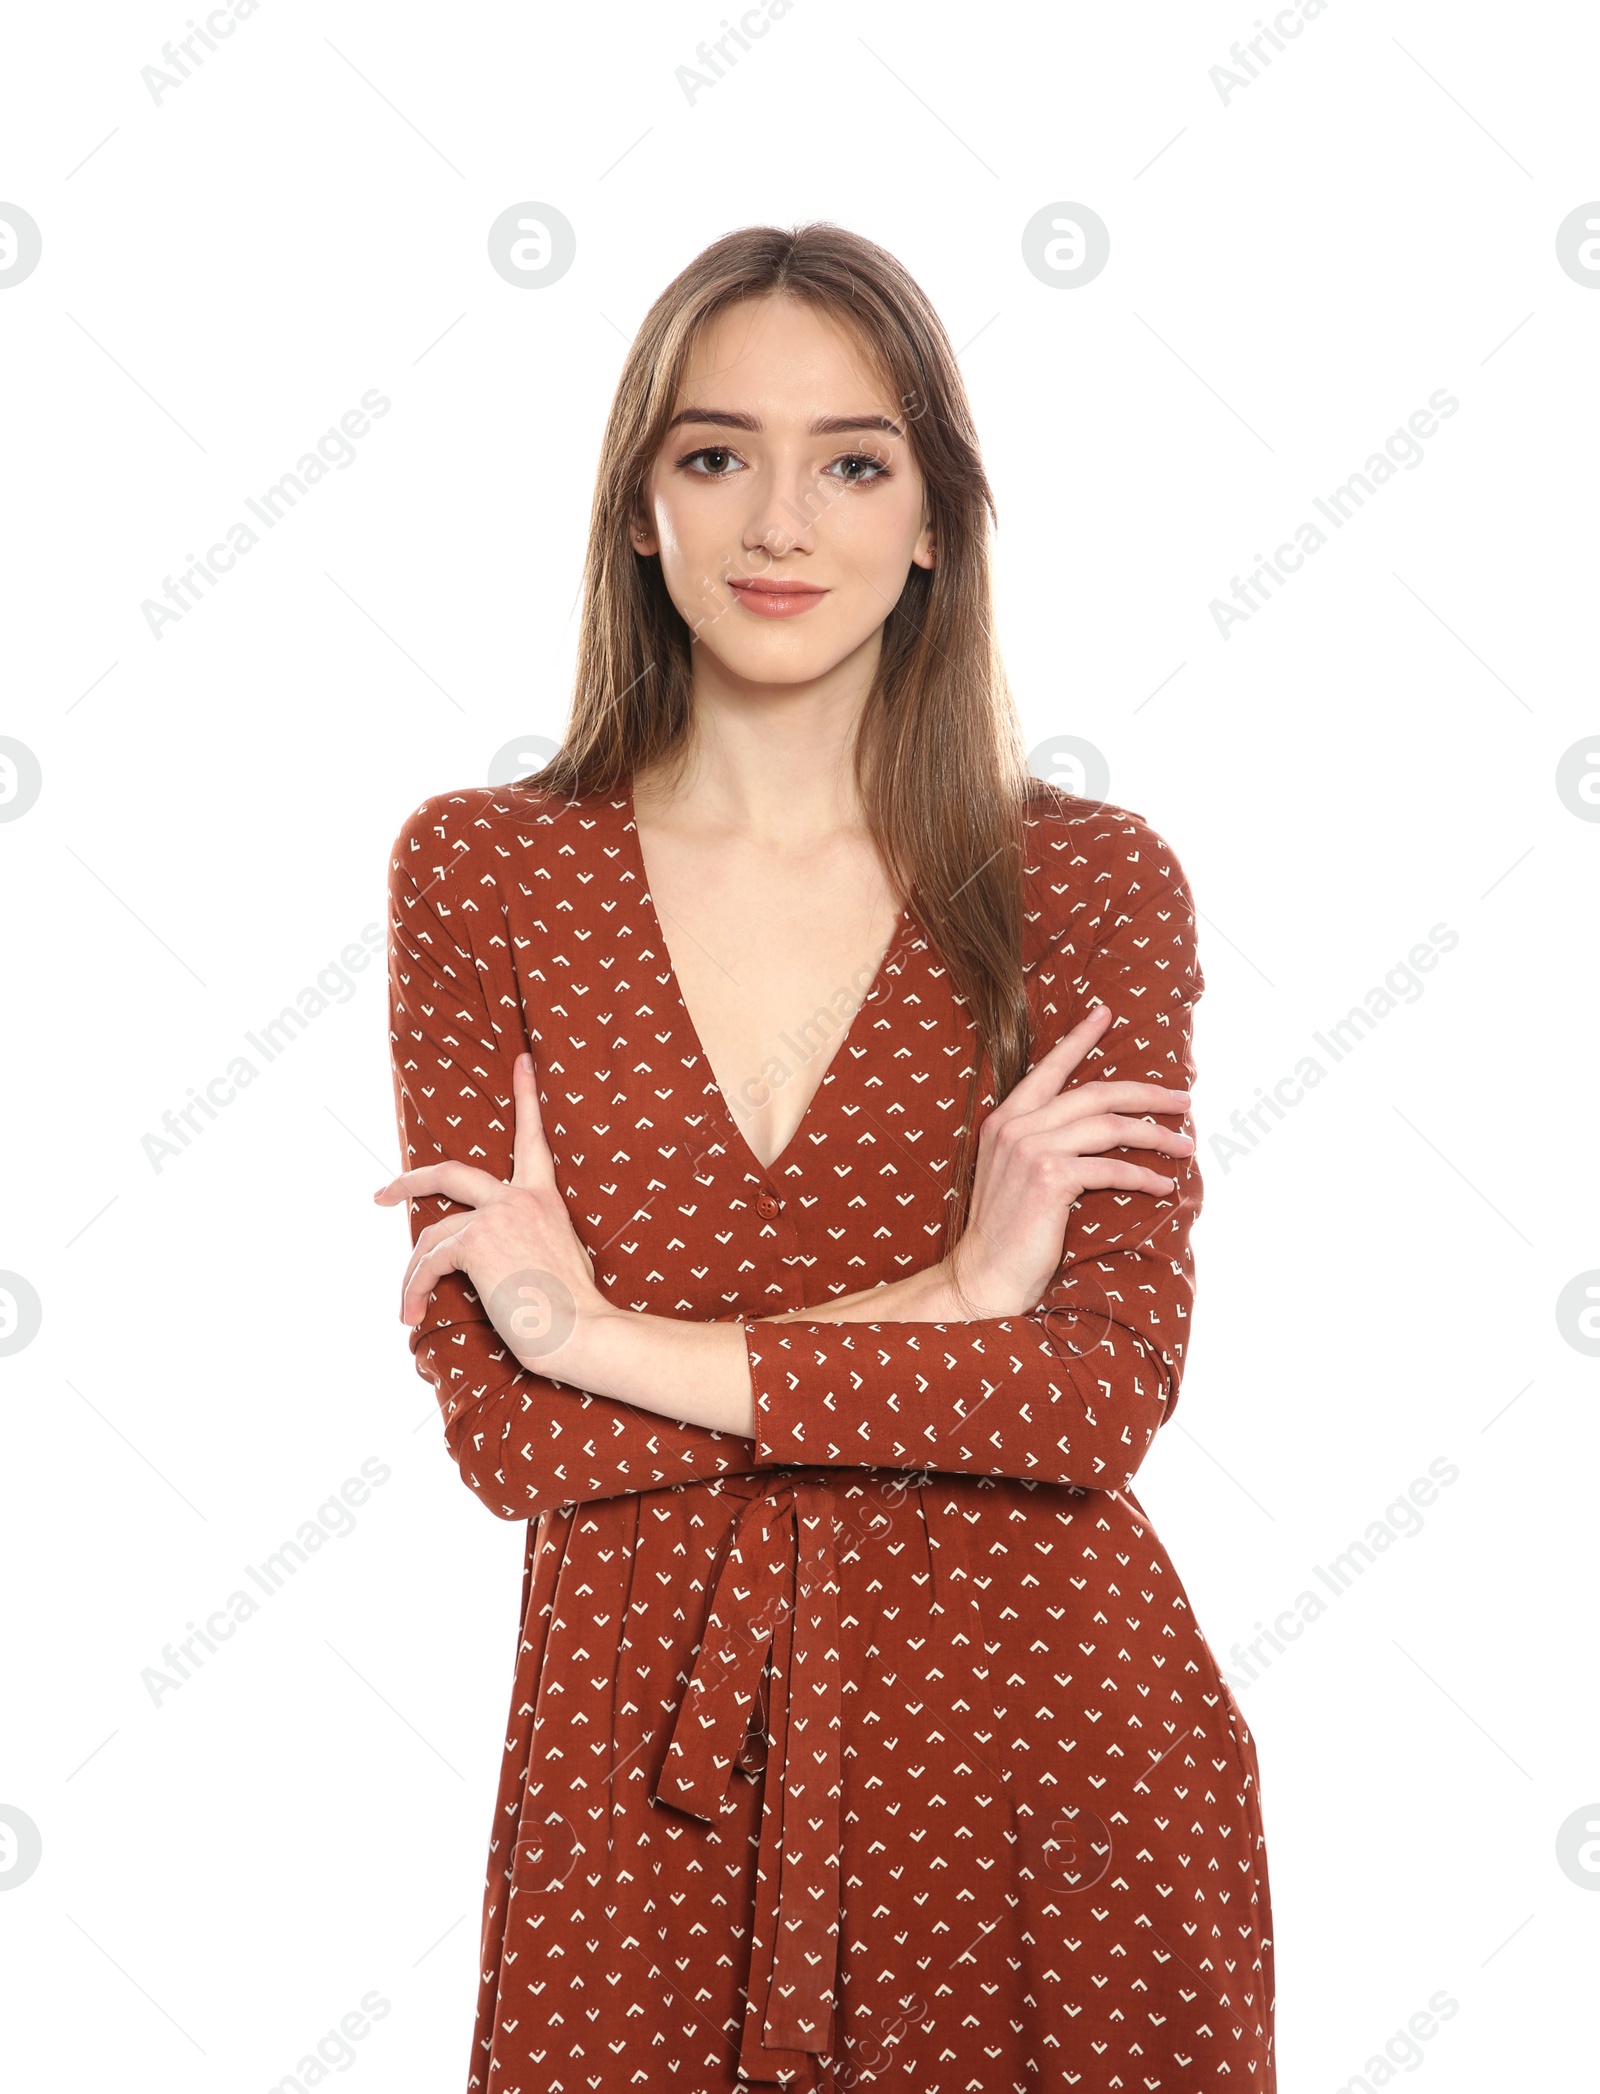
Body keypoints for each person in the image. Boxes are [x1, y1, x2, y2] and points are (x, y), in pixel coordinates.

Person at [376, 221, 1275, 2091]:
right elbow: (507, 1435)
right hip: (642, 1757)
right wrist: (953, 1301)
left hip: (1037, 1737)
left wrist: (608, 1336)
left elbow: (1097, 1396)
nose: (779, 521)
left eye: (852, 461)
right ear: (641, 509)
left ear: (936, 515)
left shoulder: (1089, 890)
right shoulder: (488, 875)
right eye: (716, 456)